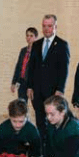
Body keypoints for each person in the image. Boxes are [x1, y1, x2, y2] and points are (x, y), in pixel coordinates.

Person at [27, 14, 70, 145]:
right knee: (40, 121)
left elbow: (64, 69)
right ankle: (42, 148)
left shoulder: (62, 45)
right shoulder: (36, 44)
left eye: (49, 26)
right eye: (44, 26)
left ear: (55, 27)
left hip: (53, 92)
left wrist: (60, 89)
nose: (46, 29)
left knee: (52, 122)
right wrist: (29, 86)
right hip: (37, 91)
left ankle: (52, 148)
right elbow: (31, 67)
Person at [11, 27, 38, 100]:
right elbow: (18, 67)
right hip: (22, 82)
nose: (28, 37)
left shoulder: (38, 52)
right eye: (27, 35)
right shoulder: (23, 50)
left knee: (36, 106)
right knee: (21, 105)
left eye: (31, 36)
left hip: (33, 84)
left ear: (36, 38)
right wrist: (14, 82)